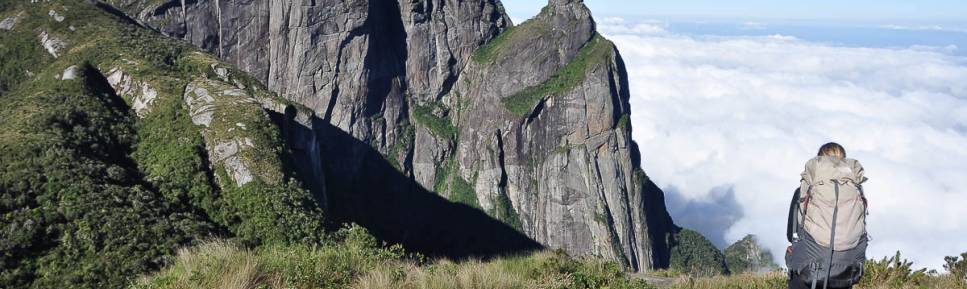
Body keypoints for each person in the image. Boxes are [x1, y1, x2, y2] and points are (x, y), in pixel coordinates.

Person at [786, 142, 869, 289]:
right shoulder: (856, 189)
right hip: (847, 271)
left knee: (794, 261)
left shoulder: (804, 190)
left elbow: (791, 233)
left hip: (810, 269)